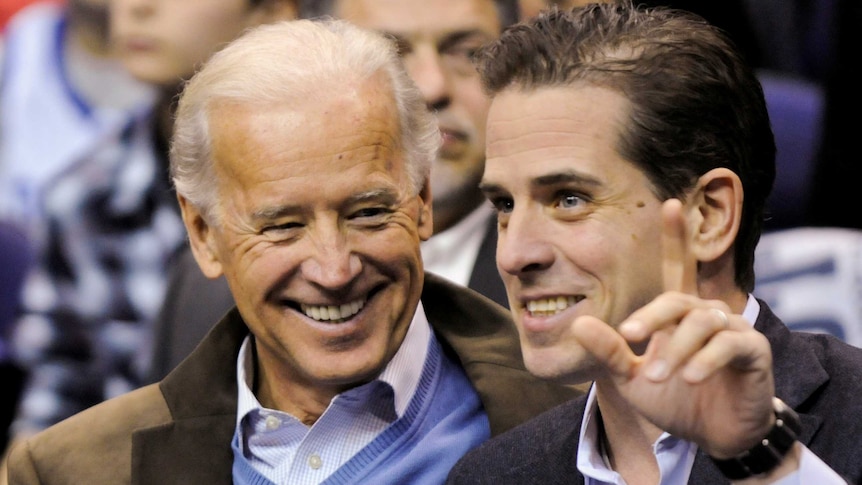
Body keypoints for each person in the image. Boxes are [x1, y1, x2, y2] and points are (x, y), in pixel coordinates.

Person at [7, 18, 579, 484]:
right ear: (203, 234)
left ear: (422, 199)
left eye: (367, 213)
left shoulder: (585, 427)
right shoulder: (71, 471)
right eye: (282, 225)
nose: (334, 269)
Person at [446, 2, 862, 483]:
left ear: (708, 216)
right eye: (504, 205)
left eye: (569, 199)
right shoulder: (491, 476)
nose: (514, 255)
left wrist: (765, 460)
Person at [147, 0, 520, 382]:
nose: (430, 86)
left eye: (468, 53)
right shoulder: (198, 297)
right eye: (392, 52)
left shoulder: (555, 271)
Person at [0, 0, 299, 475]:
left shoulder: (329, 187)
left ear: (270, 13)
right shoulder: (84, 197)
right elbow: (56, 394)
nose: (136, 8)